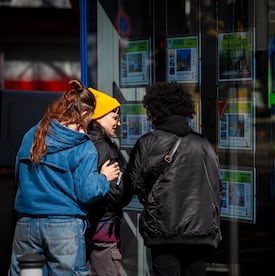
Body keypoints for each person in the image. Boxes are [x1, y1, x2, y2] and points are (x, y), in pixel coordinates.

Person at [9, 80, 120, 276]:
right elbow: (88, 193)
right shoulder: (82, 146)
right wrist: (104, 177)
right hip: (64, 227)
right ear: (84, 114)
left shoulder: (33, 135)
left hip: (26, 224)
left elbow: (19, 175)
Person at [123, 82, 222, 276]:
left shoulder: (148, 142)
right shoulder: (203, 143)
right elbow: (216, 186)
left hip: (163, 230)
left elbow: (132, 184)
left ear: (154, 110)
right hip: (201, 231)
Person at [86, 88, 132, 276]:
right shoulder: (105, 148)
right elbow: (116, 193)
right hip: (104, 230)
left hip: (86, 230)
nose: (118, 123)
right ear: (99, 117)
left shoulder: (84, 143)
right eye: (114, 117)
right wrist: (128, 188)